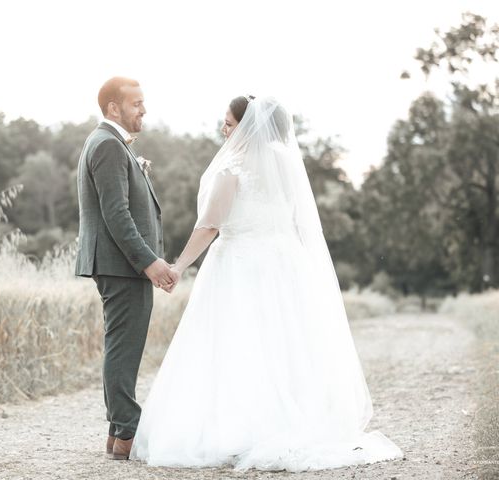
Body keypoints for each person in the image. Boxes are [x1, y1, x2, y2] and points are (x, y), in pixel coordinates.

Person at [130, 96, 404, 472]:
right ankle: (292, 421)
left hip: (239, 265)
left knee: (236, 345)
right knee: (284, 345)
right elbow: (296, 221)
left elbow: (210, 226)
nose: (224, 130)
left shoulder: (233, 167)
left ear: (248, 127)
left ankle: (241, 429)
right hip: (284, 264)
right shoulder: (287, 164)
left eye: (229, 123)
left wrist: (178, 266)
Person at [75, 76, 178, 461]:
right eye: (136, 103)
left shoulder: (110, 143)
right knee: (123, 345)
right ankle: (128, 430)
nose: (144, 110)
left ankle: (118, 433)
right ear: (113, 107)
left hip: (120, 264)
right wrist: (150, 262)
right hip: (121, 265)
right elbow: (116, 214)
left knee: (123, 343)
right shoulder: (107, 145)